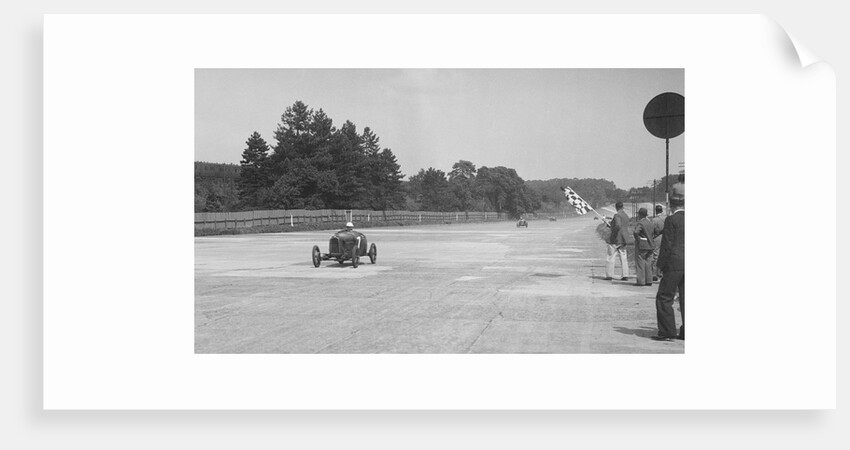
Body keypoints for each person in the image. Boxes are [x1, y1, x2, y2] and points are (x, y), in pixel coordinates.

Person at [651, 196, 684, 341]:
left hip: (674, 263)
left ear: (671, 206)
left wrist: (659, 265)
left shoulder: (671, 220)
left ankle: (667, 331)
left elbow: (667, 245)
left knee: (664, 297)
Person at [604, 201, 631, 281]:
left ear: (616, 207)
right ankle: (625, 274)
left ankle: (609, 274)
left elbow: (618, 225)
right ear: (622, 207)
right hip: (624, 238)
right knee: (623, 257)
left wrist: (612, 228)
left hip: (616, 239)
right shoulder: (626, 215)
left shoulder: (617, 215)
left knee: (611, 256)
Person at [633, 207, 657, 286]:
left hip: (642, 245)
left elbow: (636, 232)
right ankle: (649, 280)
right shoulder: (651, 223)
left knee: (640, 262)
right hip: (651, 245)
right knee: (648, 263)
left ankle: (641, 281)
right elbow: (656, 231)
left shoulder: (640, 223)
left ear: (640, 215)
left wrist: (638, 238)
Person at [650, 204, 666, 281]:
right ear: (662, 210)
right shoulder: (666, 218)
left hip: (657, 237)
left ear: (656, 211)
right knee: (664, 254)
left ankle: (654, 273)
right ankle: (662, 272)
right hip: (666, 237)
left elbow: (652, 230)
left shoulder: (654, 220)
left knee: (655, 255)